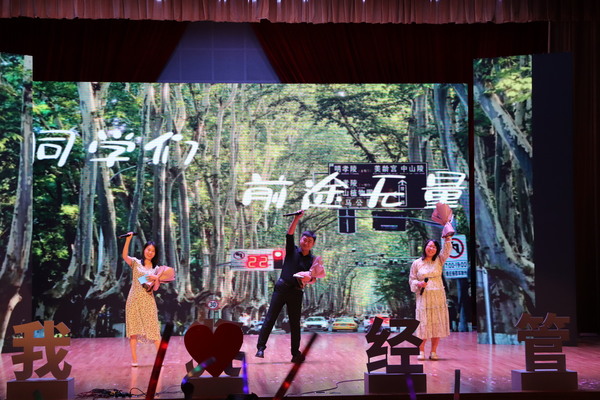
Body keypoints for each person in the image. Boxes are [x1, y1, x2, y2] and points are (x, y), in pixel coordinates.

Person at [255, 210, 319, 363]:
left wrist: (309, 279)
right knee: (270, 318)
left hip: (297, 292)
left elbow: (314, 278)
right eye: (305, 239)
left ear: (313, 244)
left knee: (295, 324)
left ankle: (295, 353)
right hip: (282, 288)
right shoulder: (292, 250)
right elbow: (289, 235)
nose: (306, 242)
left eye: (310, 241)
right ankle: (260, 348)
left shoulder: (313, 260)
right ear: (301, 240)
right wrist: (296, 218)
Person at [409, 235, 452, 361]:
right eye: (429, 246)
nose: (431, 249)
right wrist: (418, 283)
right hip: (424, 295)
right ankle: (421, 351)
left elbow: (447, 250)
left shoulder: (439, 260)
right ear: (425, 247)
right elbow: (412, 279)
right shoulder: (416, 263)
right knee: (423, 323)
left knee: (436, 322)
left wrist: (448, 239)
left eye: (434, 247)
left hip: (438, 295)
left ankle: (433, 351)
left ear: (437, 250)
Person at [121, 232, 162, 367]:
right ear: (144, 250)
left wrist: (156, 279)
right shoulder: (136, 263)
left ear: (155, 254)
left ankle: (160, 360)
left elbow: (155, 288)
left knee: (153, 330)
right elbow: (124, 256)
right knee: (133, 331)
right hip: (133, 299)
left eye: (153, 251)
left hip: (148, 301)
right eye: (148, 249)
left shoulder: (157, 269)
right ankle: (134, 360)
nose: (150, 252)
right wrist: (128, 240)